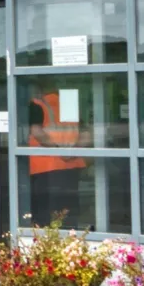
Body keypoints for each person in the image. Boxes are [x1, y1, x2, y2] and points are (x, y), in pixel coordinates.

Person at [27, 88, 89, 228]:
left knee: (44, 211)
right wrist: (74, 150)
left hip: (45, 165)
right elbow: (85, 132)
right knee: (67, 209)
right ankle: (70, 239)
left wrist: (57, 149)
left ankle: (46, 243)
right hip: (71, 165)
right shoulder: (67, 103)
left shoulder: (37, 103)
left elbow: (36, 131)